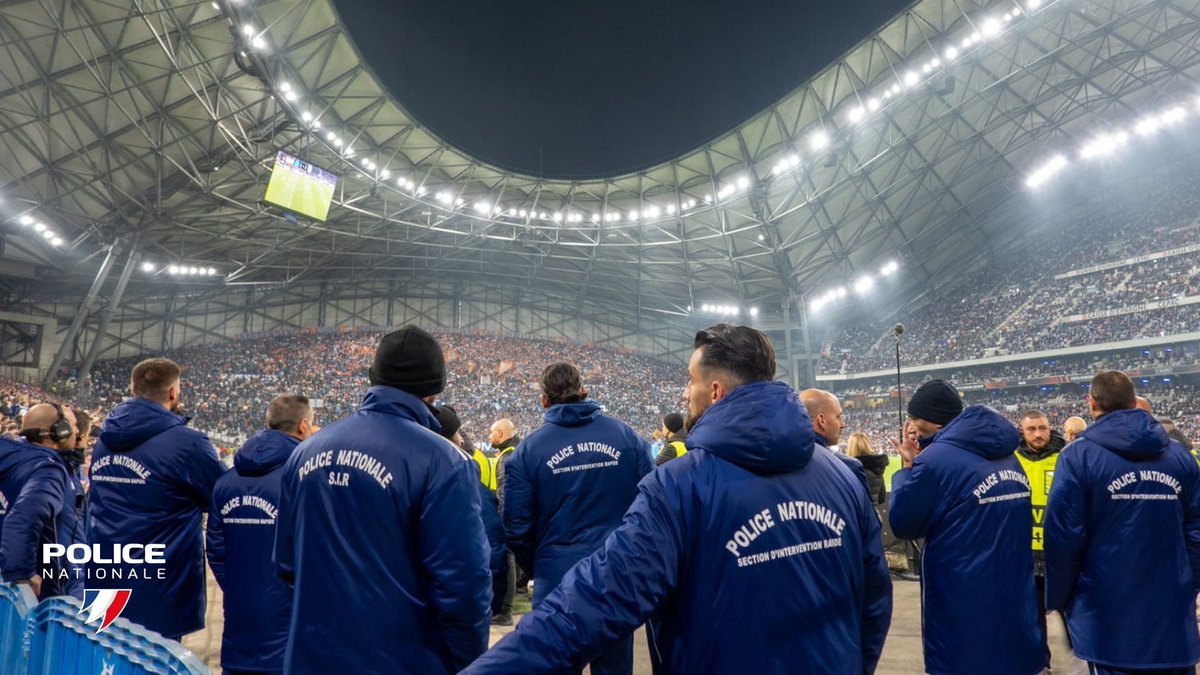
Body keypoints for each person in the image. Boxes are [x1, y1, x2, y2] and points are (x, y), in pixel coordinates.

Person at [463, 324, 891, 674]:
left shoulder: (679, 487)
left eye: (691, 380)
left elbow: (590, 604)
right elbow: (873, 602)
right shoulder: (843, 478)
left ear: (717, 391)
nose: (686, 393)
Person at [274, 327, 491, 675]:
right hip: (404, 660)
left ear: (374, 377)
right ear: (435, 389)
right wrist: (469, 663)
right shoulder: (443, 461)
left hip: (311, 657)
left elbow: (286, 566)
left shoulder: (304, 454)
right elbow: (464, 586)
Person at [500, 362, 653, 674]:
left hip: (556, 581)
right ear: (583, 390)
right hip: (614, 577)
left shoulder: (528, 453)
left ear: (544, 400)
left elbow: (516, 529)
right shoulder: (628, 439)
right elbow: (652, 510)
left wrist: (540, 565)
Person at [1045, 371, 1200, 674]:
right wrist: (1188, 582)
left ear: (1091, 403)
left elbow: (1064, 536)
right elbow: (1196, 531)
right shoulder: (1180, 456)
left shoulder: (1077, 457)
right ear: (1133, 401)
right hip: (1169, 609)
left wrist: (1061, 597)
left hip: (1106, 609)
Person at [889, 379, 1043, 675]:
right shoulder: (1009, 456)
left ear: (935, 426)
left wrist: (907, 471)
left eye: (920, 432)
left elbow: (902, 523)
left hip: (962, 610)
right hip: (1015, 607)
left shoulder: (935, 461)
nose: (917, 439)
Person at [87, 358, 227, 640]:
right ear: (174, 392)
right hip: (161, 583)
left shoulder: (105, 438)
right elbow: (221, 495)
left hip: (105, 573)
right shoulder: (187, 442)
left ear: (132, 388)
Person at [206, 394, 316, 675]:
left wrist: (240, 586)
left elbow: (216, 550)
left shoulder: (226, 481)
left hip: (239, 625)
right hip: (290, 629)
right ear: (303, 427)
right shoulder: (304, 480)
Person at [434, 404, 507, 631]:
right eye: (457, 433)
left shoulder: (421, 471)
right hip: (456, 597)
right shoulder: (462, 471)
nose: (462, 439)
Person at [1, 403, 84, 599]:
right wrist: (22, 574)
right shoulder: (48, 470)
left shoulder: (13, 458)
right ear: (57, 432)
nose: (77, 431)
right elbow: (24, 516)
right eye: (72, 424)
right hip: (36, 597)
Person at [1014, 409, 1068, 666]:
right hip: (1026, 553)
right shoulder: (1012, 460)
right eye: (1031, 429)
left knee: (1073, 615)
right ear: (1022, 432)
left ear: (1050, 428)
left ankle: (1084, 663)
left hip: (1061, 552)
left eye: (1042, 428)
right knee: (1033, 618)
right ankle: (1041, 664)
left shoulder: (1067, 457)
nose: (1038, 434)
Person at [489, 417, 520, 623]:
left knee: (507, 561)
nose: (489, 436)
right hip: (514, 519)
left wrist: (501, 523)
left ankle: (505, 611)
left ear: (500, 433)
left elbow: (504, 494)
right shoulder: (513, 453)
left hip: (506, 520)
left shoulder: (507, 458)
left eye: (491, 432)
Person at [845, 432, 888, 505]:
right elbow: (882, 498)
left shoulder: (850, 469)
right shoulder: (877, 467)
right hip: (873, 513)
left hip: (856, 515)